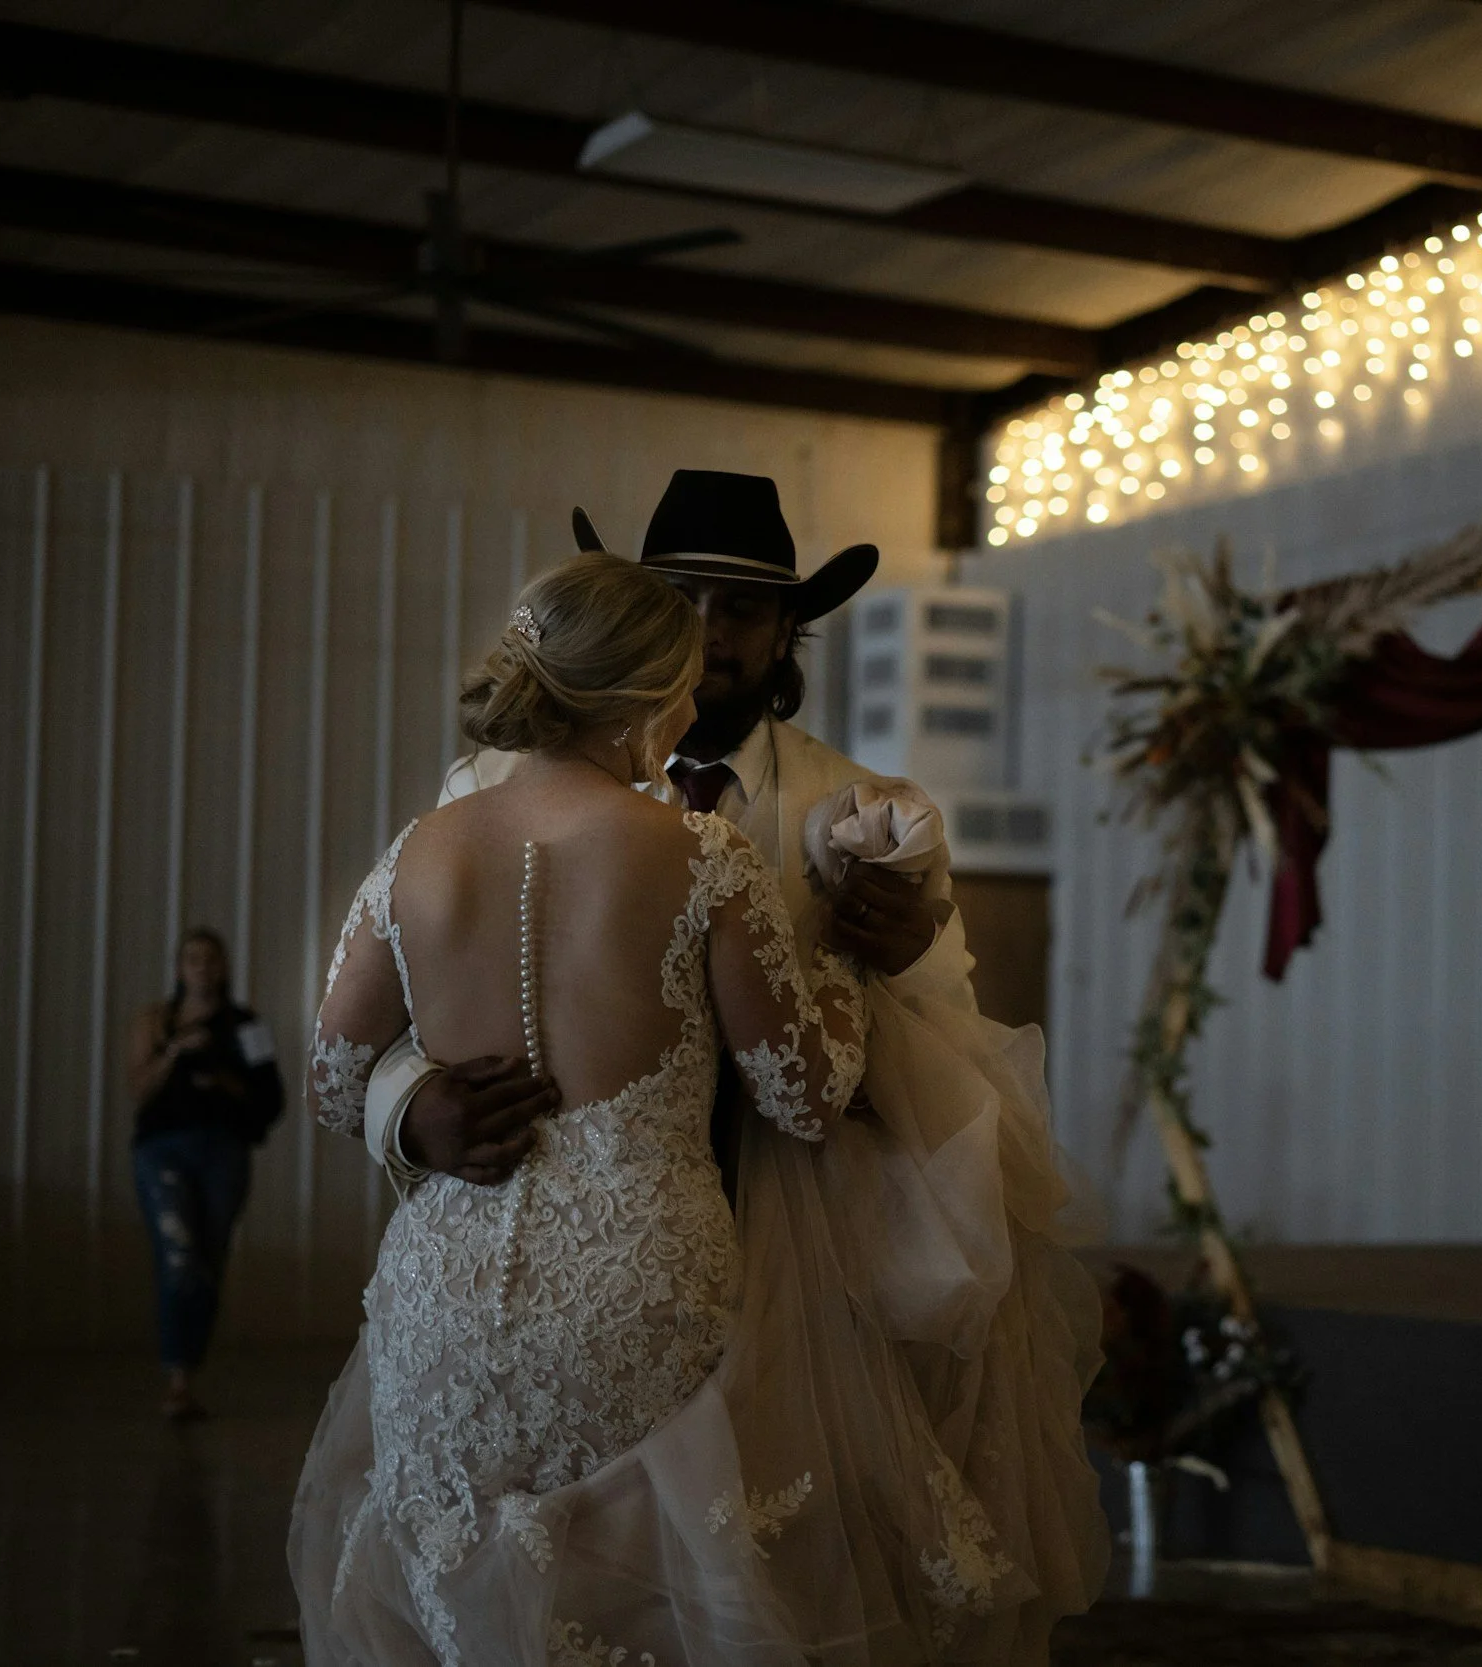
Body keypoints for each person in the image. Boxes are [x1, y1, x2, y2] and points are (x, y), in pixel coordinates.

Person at [292, 533, 1104, 1665]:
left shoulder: (423, 846)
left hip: (455, 1283)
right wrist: (840, 979)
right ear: (642, 694)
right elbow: (804, 1093)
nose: (710, 653)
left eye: (745, 612)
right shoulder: (703, 852)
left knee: (466, 1582)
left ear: (786, 636)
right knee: (671, 1591)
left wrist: (909, 936)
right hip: (646, 1273)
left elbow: (329, 1070)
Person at [126, 927, 284, 1420]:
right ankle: (176, 1379)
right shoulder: (155, 1022)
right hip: (162, 1151)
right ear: (178, 968)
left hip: (223, 1151)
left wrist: (222, 1079)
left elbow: (271, 1097)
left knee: (209, 1260)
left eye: (210, 959)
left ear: (223, 966)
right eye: (191, 959)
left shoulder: (245, 1025)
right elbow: (137, 1090)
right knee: (178, 1254)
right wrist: (174, 1051)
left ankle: (189, 1374)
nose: (201, 968)